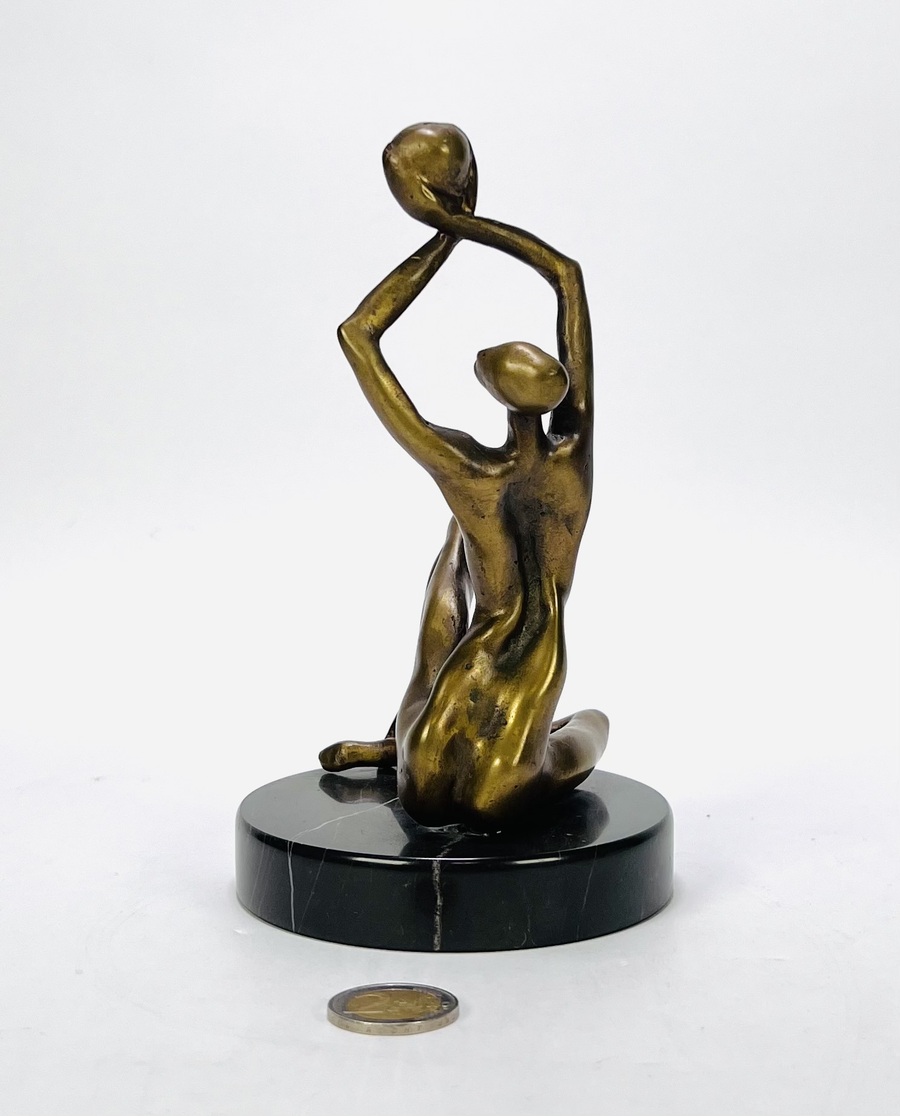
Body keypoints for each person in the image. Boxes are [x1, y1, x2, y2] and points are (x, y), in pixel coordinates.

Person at [319, 125, 608, 830]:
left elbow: (358, 335)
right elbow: (566, 274)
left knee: (490, 792)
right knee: (445, 785)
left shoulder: (467, 468)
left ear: (491, 388)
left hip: (508, 672)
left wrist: (445, 230)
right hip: (506, 660)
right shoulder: (573, 456)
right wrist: (470, 223)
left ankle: (564, 734)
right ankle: (395, 742)